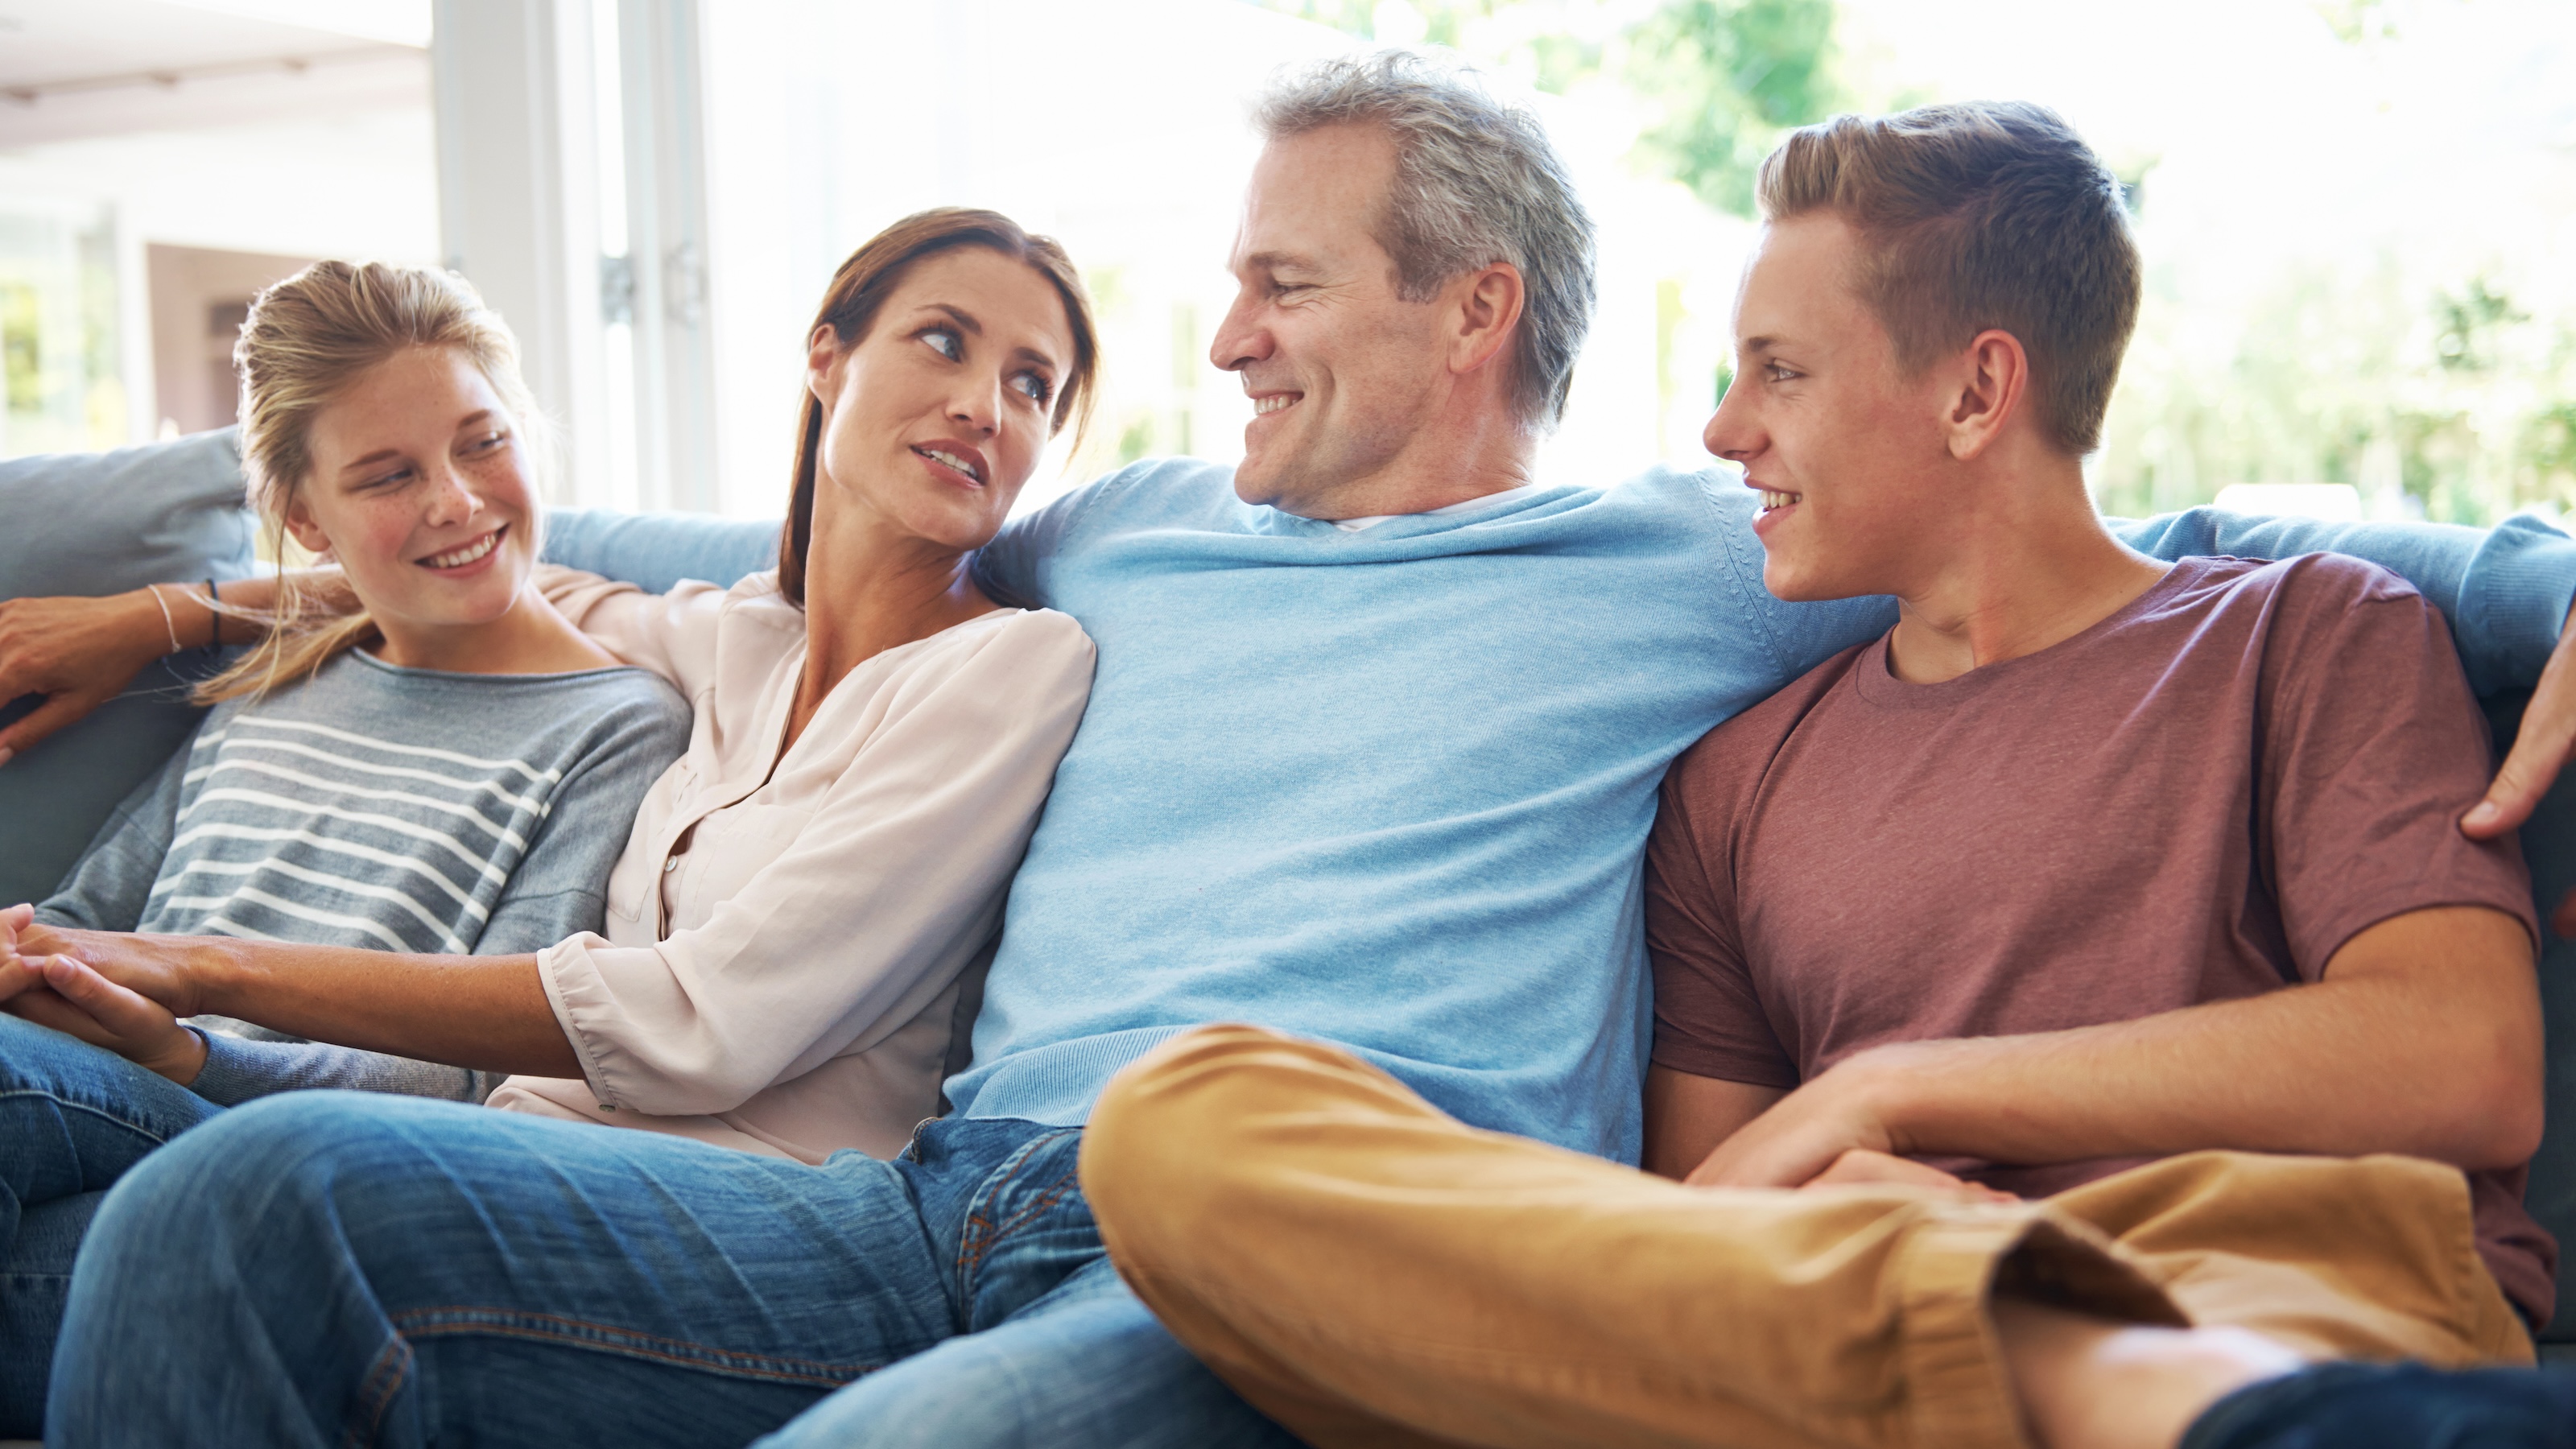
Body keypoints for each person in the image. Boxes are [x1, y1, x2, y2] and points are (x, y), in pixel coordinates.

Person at [13, 53, 2576, 1449]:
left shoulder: (1706, 560)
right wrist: (190, 596)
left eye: (1274, 284)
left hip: (1301, 1256)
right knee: (239, 1216)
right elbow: (609, 574)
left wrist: (2547, 577)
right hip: (919, 1198)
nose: (1204, 342)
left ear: (1471, 313)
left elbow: (2131, 529)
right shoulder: (1106, 535)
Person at [1074, 103, 2576, 1449]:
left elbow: (2468, 1064)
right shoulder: (1737, 778)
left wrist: (1895, 1091)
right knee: (1183, 1113)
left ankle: (2140, 1382)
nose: (1725, 433)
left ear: (1978, 395)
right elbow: (1695, 1225)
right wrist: (1858, 1207)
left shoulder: (2307, 635)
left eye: (1779, 373)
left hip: (2256, 1275)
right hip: (1838, 1311)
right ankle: (2039, 1358)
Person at [0, 208, 1100, 1427]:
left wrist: (206, 971)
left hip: (757, 1204)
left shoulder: (1013, 665)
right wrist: (155, 618)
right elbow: (458, 581)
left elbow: (709, 1021)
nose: (985, 405)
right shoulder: (733, 643)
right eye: (944, 342)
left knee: (227, 1186)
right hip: (532, 1155)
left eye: (1033, 385)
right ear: (825, 356)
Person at [0, 258, 692, 1435]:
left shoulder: (618, 724)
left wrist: (185, 1052)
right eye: (389, 475)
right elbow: (85, 912)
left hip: (286, 1146)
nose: (458, 503)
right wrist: (41, 966)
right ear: (306, 519)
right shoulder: (276, 680)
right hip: (111, 1147)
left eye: (483, 442)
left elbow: (484, 1066)